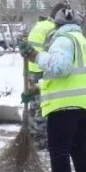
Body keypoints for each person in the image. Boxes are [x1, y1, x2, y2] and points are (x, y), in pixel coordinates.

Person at [19, 3, 86, 172]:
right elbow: (75, 76)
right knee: (80, 148)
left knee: (59, 150)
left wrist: (35, 56)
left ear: (55, 24)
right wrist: (39, 90)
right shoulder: (82, 41)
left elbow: (60, 69)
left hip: (65, 106)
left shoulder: (62, 40)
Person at [24, 13, 58, 149]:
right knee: (43, 104)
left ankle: (32, 134)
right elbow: (53, 52)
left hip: (32, 69)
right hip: (42, 70)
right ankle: (40, 139)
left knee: (34, 103)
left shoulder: (40, 25)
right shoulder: (53, 29)